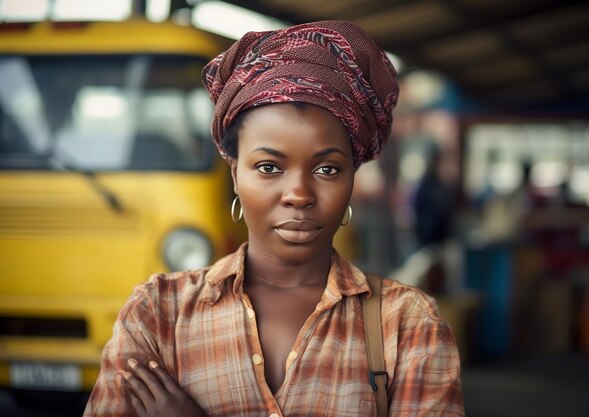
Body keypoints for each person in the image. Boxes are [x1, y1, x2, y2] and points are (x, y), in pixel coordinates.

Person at [84, 20, 464, 417]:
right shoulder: (157, 314)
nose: (298, 194)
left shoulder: (407, 326)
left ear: (353, 177)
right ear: (235, 174)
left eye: (327, 169)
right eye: (268, 167)